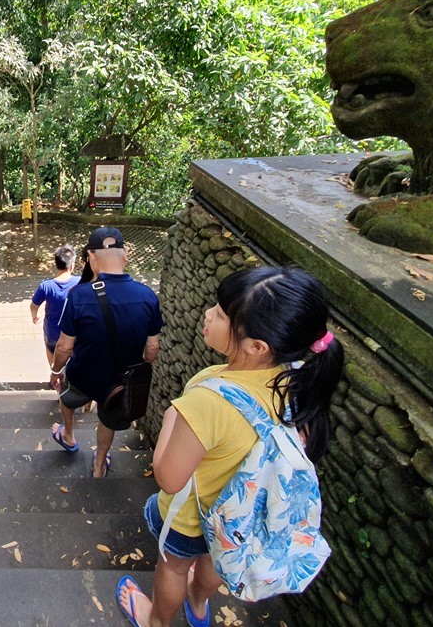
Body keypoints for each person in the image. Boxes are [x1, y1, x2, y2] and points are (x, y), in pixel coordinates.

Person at [116, 266, 344, 627]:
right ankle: (200, 601)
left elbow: (169, 478)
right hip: (240, 519)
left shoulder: (210, 400)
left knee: (174, 567)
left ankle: (155, 621)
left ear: (257, 346)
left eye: (221, 314)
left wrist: (175, 417)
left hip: (191, 515)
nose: (209, 314)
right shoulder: (295, 376)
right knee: (213, 559)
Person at [48, 227, 162, 478]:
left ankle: (68, 435)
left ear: (90, 257)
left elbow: (65, 346)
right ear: (126, 254)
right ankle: (99, 465)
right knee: (108, 419)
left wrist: (56, 370)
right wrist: (137, 370)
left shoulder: (79, 296)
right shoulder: (148, 297)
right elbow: (152, 348)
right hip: (118, 383)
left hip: (83, 376)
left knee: (67, 399)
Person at [30, 245, 81, 371]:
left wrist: (34, 316)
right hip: (74, 332)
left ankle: (55, 374)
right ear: (72, 265)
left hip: (52, 330)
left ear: (56, 263)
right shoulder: (80, 283)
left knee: (50, 348)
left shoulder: (46, 286)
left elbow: (34, 305)